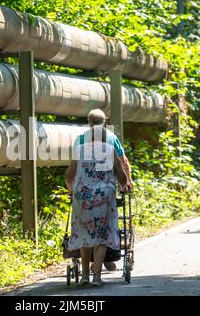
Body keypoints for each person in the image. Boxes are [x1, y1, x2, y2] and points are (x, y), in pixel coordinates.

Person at [65, 109, 133, 286]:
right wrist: (124, 185)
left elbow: (69, 175)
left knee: (84, 233)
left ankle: (85, 276)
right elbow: (121, 173)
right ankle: (97, 277)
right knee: (101, 236)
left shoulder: (79, 147)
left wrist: (71, 189)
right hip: (103, 197)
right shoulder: (109, 149)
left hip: (83, 197)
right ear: (104, 136)